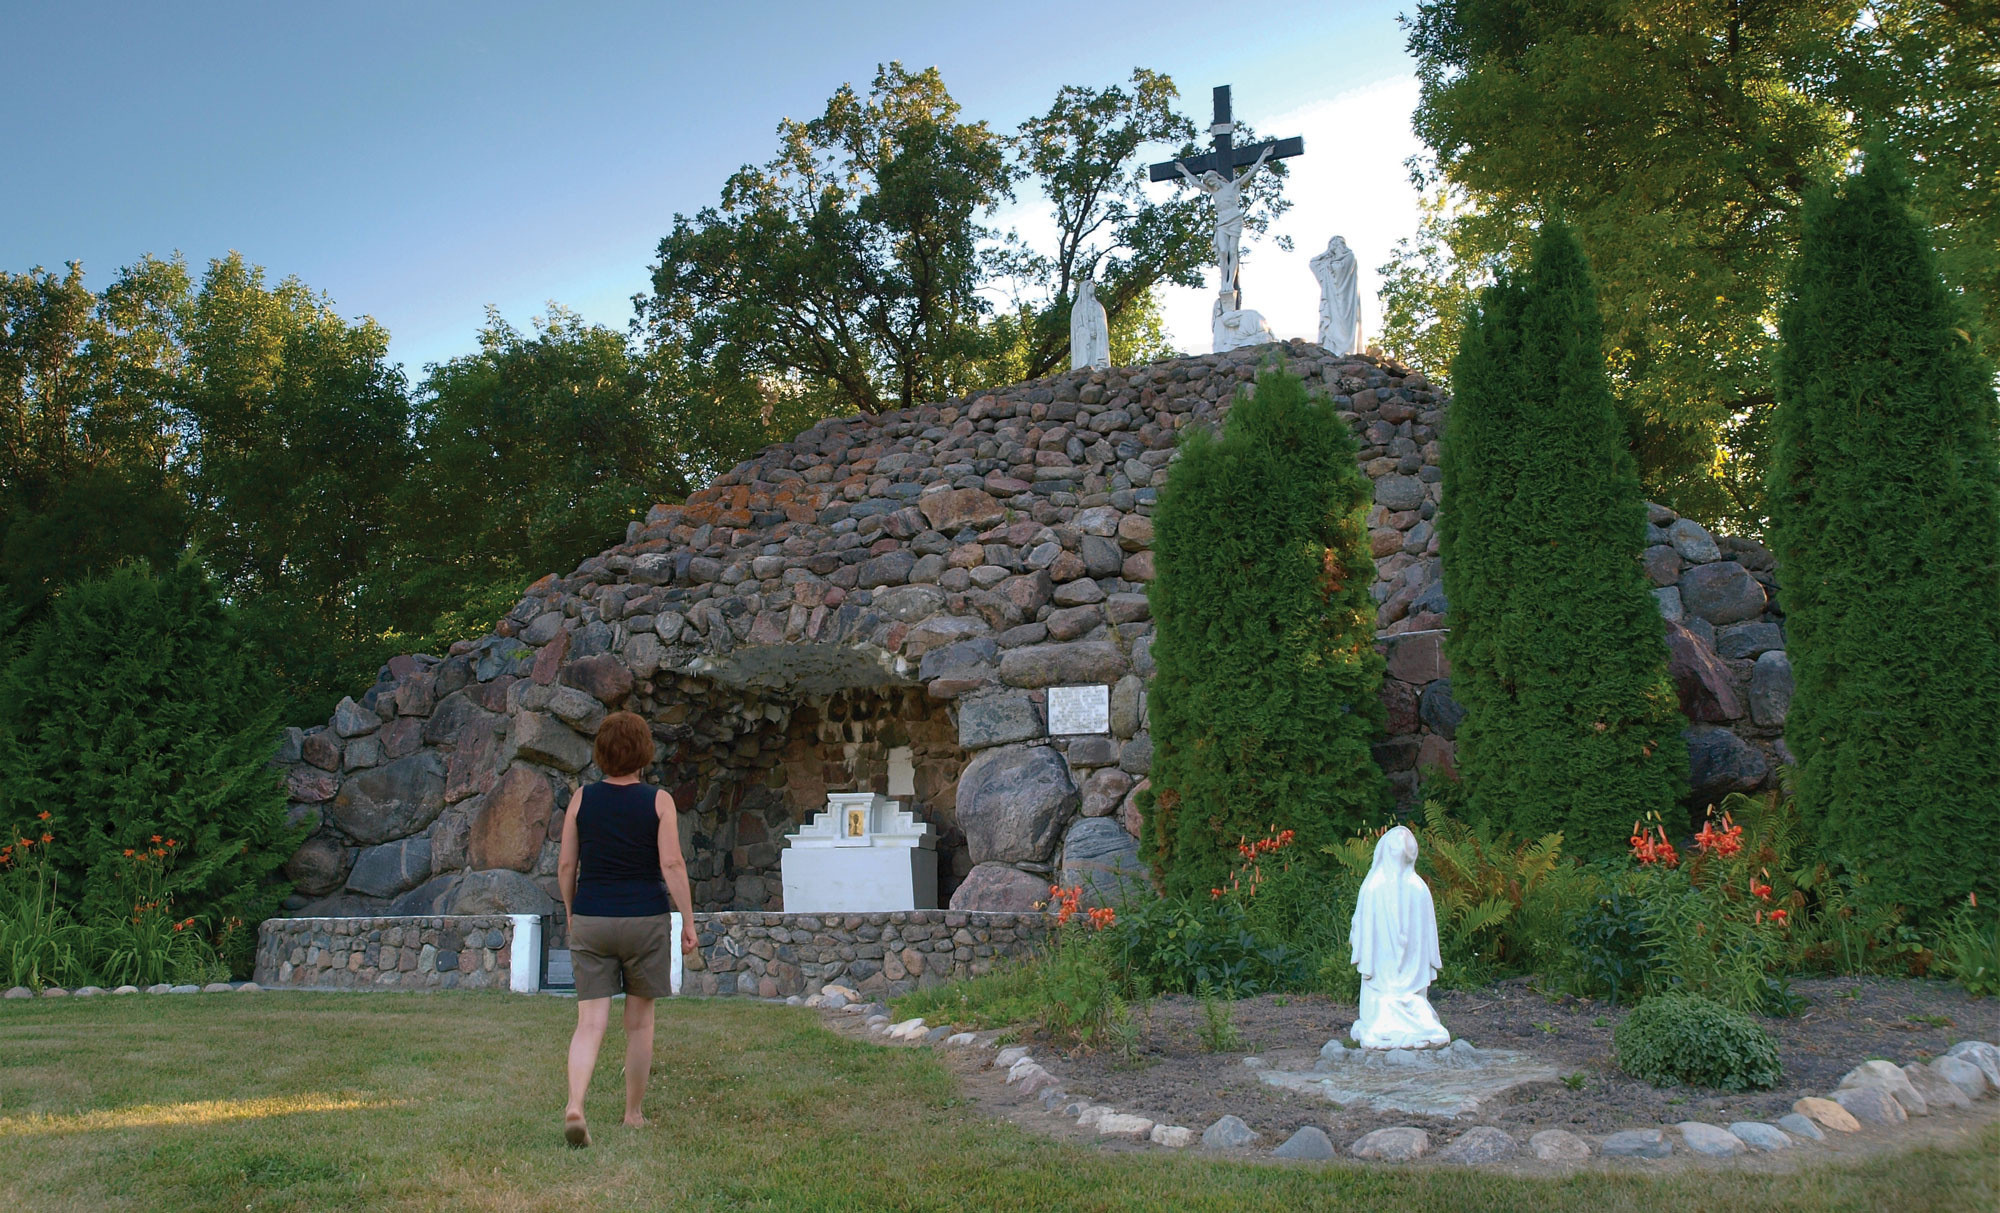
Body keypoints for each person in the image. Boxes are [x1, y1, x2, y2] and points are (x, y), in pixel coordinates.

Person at [556, 710, 697, 1147]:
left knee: (589, 1023)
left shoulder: (581, 799)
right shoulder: (659, 801)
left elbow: (566, 864)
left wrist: (570, 912)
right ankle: (632, 1114)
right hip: (644, 920)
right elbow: (671, 863)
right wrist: (688, 922)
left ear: (601, 753)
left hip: (593, 917)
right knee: (638, 1024)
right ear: (643, 752)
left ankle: (576, 1104)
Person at [1348, 825, 1451, 1050]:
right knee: (1409, 1004)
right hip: (1408, 975)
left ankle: (1391, 1014)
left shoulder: (1373, 887)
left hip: (1383, 977)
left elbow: (1361, 932)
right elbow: (1428, 938)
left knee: (1383, 1004)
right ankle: (1410, 1011)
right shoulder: (1419, 888)